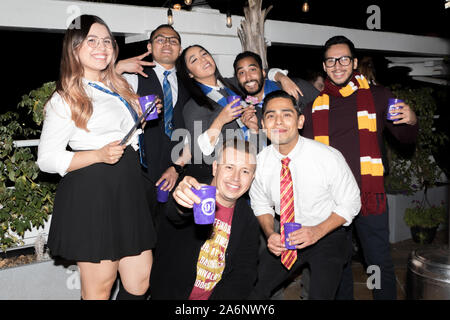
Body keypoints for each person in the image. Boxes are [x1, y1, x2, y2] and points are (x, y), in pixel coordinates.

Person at [36, 15, 157, 300]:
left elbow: (120, 131)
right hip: (93, 195)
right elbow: (46, 159)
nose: (101, 46)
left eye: (106, 41)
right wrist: (98, 154)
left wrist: (139, 120)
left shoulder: (119, 87)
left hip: (128, 191)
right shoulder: (66, 97)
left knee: (139, 282)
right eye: (91, 40)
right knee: (99, 289)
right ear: (74, 48)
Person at [302, 35, 419, 300]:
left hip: (368, 196)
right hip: (330, 201)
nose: (338, 65)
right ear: (324, 66)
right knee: (338, 264)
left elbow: (404, 137)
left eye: (344, 59)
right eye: (331, 60)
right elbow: (301, 151)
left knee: (377, 262)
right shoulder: (313, 108)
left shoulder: (379, 96)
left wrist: (411, 120)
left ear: (354, 62)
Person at [248, 90, 361, 300]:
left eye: (286, 114)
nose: (278, 121)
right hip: (286, 232)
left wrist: (317, 231)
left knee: (321, 295)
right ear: (263, 124)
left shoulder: (327, 157)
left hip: (327, 231)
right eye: (271, 116)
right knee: (256, 289)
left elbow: (351, 202)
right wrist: (270, 233)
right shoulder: (260, 162)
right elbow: (261, 204)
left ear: (300, 121)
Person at [149, 138, 260, 299]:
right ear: (215, 168)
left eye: (245, 171)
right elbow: (174, 217)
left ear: (252, 177)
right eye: (229, 167)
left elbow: (244, 274)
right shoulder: (195, 193)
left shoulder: (248, 220)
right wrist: (181, 205)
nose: (236, 178)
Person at [116, 24, 190, 229]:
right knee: (138, 229)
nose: (167, 43)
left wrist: (177, 167)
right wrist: (118, 67)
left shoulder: (189, 82)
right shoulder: (132, 77)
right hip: (140, 172)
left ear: (180, 50)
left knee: (173, 231)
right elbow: (93, 87)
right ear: (149, 46)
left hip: (178, 169)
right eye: (160, 39)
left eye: (173, 40)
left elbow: (196, 131)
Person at [233, 51, 319, 111]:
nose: (248, 77)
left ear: (263, 73)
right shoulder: (243, 107)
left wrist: (282, 77)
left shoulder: (293, 87)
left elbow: (328, 106)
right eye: (242, 72)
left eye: (252, 70)